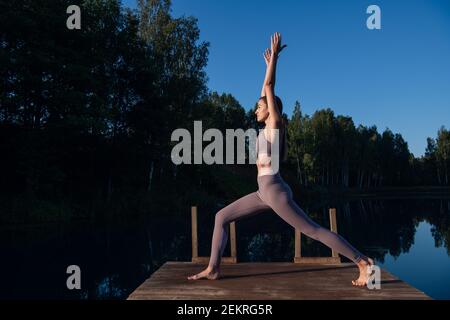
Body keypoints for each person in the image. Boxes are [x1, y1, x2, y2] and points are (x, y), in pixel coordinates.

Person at [188, 32, 374, 286]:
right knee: (221, 216)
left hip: (274, 191)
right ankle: (213, 268)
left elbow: (269, 88)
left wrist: (274, 59)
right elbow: (264, 91)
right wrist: (266, 67)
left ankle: (363, 262)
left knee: (313, 231)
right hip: (263, 192)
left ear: (270, 109)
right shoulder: (265, 129)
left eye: (259, 106)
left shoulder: (275, 125)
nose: (255, 109)